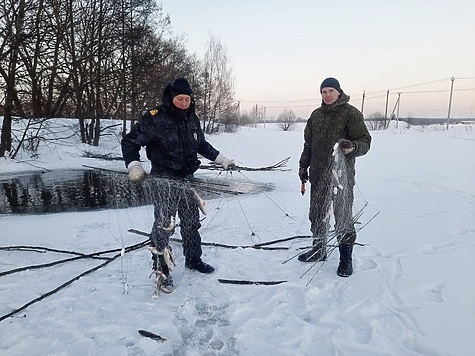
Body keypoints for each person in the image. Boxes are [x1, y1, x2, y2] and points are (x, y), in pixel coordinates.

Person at [121, 77, 236, 294]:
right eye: (180, 99)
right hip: (164, 178)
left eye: (187, 99)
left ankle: (193, 259)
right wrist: (134, 165)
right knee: (164, 226)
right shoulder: (155, 118)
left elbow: (200, 144)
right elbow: (130, 141)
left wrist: (221, 159)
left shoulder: (192, 119)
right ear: (171, 98)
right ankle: (161, 270)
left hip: (187, 179)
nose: (184, 103)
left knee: (191, 222)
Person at [298, 77, 371, 277]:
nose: (327, 95)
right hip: (318, 176)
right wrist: (303, 167)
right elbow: (308, 146)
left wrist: (353, 147)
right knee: (318, 215)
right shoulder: (316, 115)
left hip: (341, 178)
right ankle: (319, 249)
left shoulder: (350, 113)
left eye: (330, 91)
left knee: (343, 217)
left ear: (338, 92)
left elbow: (365, 141)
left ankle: (345, 259)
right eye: (323, 92)